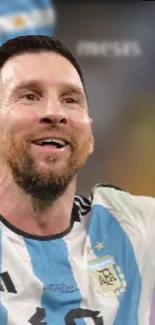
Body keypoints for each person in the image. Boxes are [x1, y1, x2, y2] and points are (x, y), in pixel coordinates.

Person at [0, 35, 154, 325]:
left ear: (91, 137)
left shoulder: (135, 225)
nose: (54, 113)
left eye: (70, 100)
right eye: (30, 96)